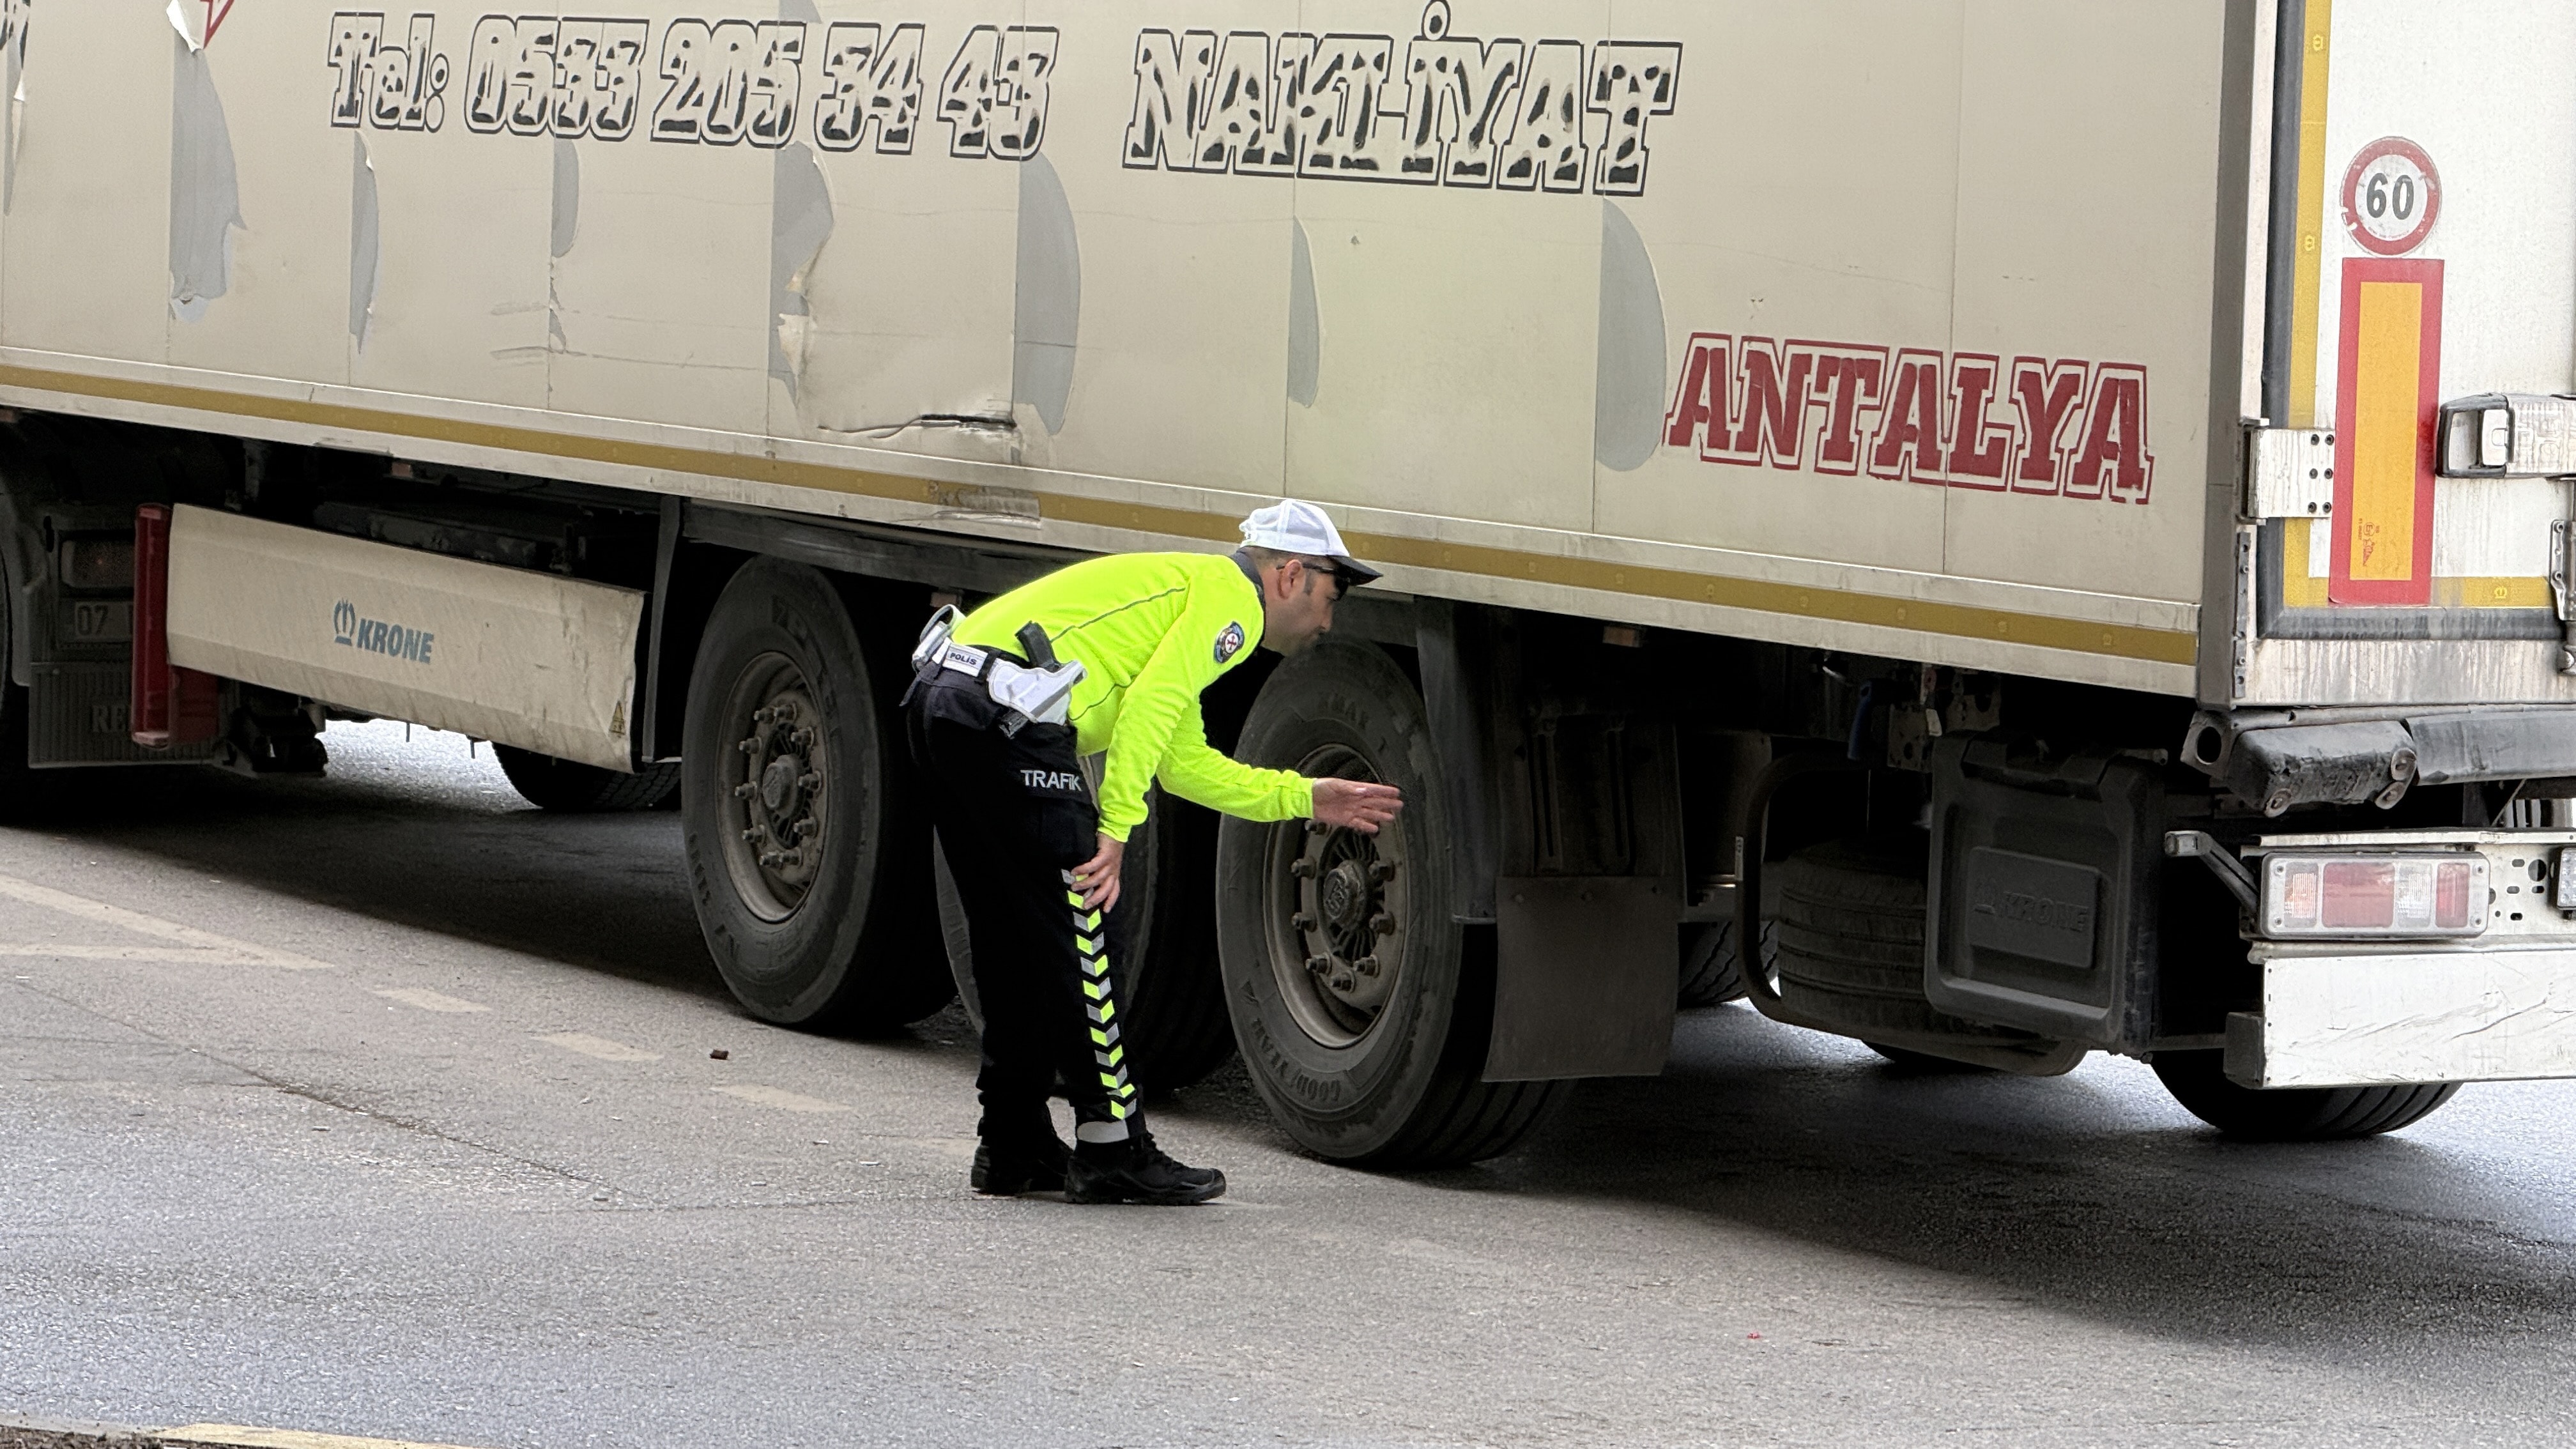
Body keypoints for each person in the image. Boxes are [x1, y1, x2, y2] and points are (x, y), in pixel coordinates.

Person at [905, 500, 1404, 1205]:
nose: (1329, 619)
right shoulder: (1232, 602)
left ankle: (1012, 1141)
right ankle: (1114, 1148)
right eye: (1334, 593)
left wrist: (1305, 797)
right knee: (1085, 933)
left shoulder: (1187, 594)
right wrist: (1115, 830)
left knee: (1013, 934)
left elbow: (1182, 764)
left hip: (945, 700)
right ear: (1291, 575)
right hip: (1001, 714)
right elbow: (1148, 710)